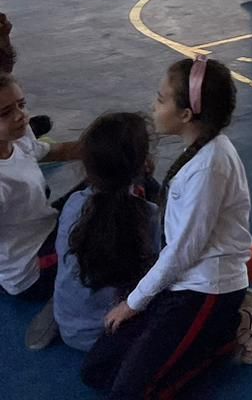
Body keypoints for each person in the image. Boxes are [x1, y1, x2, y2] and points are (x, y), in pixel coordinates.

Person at [87, 58, 251, 399]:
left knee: (129, 393)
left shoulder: (208, 169)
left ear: (186, 115)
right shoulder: (199, 151)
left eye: (161, 99)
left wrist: (134, 303)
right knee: (97, 371)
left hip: (207, 290)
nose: (153, 106)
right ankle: (207, 336)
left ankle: (226, 333)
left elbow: (182, 252)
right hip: (179, 283)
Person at [37, 112, 160, 352]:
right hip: (113, 332)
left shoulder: (73, 204)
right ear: (144, 163)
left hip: (70, 327)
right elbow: (156, 274)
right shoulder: (148, 215)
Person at [0, 74, 81, 303]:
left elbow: (60, 151)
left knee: (104, 184)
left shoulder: (18, 139)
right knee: (106, 224)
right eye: (5, 113)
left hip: (45, 227)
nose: (21, 116)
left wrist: (113, 145)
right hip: (33, 269)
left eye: (21, 105)